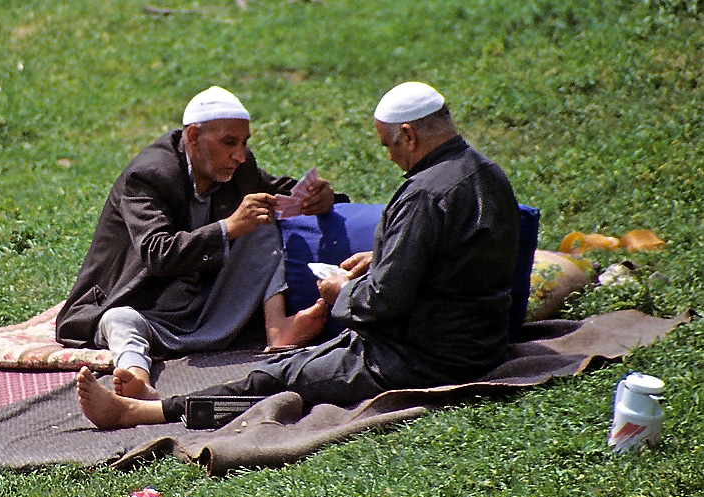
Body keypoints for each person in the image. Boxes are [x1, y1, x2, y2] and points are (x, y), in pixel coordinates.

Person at [75, 81, 521, 429]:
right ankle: (153, 384)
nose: (389, 158)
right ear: (194, 137)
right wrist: (382, 260)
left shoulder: (423, 194)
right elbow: (454, 263)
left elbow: (382, 304)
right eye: (229, 144)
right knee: (288, 363)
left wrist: (342, 289)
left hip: (422, 356)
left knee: (280, 381)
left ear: (408, 134)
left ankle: (146, 413)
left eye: (387, 146)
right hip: (475, 345)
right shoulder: (488, 173)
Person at [57, 86, 337, 401]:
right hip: (146, 306)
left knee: (261, 218)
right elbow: (157, 253)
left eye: (244, 144)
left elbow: (279, 191)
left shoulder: (236, 168)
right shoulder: (148, 176)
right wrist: (228, 227)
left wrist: (322, 197)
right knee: (120, 321)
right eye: (229, 143)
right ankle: (136, 378)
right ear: (193, 136)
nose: (239, 155)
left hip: (205, 302)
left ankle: (278, 329)